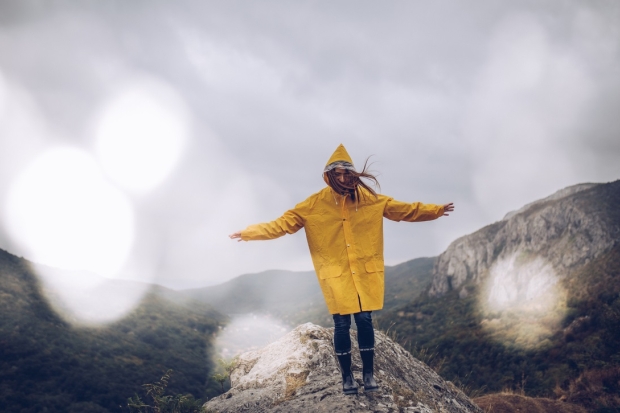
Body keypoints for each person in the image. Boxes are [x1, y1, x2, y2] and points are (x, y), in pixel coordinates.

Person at [229, 144, 454, 395]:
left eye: (347, 173)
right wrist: (249, 233)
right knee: (341, 324)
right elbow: (281, 225)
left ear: (354, 174)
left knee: (365, 320)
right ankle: (347, 377)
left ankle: (368, 375)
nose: (344, 178)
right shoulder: (313, 205)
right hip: (336, 275)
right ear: (329, 176)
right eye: (337, 174)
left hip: (364, 273)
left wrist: (436, 210)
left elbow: (405, 210)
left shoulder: (370, 201)